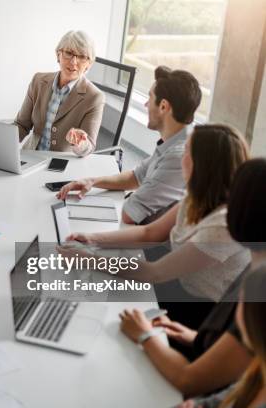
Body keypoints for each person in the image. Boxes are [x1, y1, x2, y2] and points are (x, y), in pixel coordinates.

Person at [62, 124, 251, 317]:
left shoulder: (223, 225)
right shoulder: (197, 196)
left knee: (99, 300)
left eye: (186, 152)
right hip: (179, 284)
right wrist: (92, 238)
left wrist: (89, 260)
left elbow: (155, 273)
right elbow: (150, 233)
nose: (181, 158)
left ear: (202, 165)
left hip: (202, 309)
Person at [115, 159, 266, 398]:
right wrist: (193, 337)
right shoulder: (256, 265)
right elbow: (241, 349)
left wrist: (144, 334)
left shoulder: (259, 286)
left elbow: (189, 381)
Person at [58, 66, 202, 225]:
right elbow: (136, 177)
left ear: (163, 106)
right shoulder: (175, 141)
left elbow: (129, 213)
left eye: (150, 97)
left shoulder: (178, 157)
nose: (146, 104)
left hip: (150, 242)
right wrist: (92, 181)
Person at [176, 265, 266, 407]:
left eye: (241, 301)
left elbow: (187, 380)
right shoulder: (256, 370)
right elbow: (218, 401)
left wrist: (147, 335)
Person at [15, 30, 104, 156]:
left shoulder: (95, 97)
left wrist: (80, 143)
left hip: (63, 163)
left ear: (89, 64)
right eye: (69, 53)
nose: (73, 62)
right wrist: (0, 142)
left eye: (82, 57)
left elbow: (88, 146)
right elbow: (21, 125)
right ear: (58, 55)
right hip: (31, 155)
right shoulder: (38, 81)